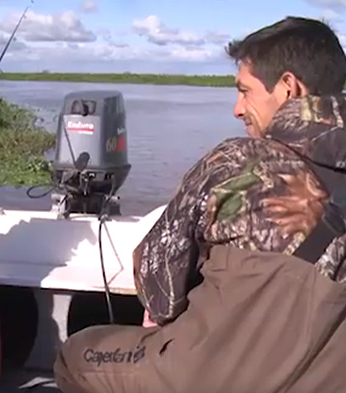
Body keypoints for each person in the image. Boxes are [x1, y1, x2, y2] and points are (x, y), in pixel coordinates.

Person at [54, 16, 346, 393]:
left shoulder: (236, 162)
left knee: (76, 354)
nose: (237, 109)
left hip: (209, 374)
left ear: (288, 88)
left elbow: (158, 293)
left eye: (245, 91)